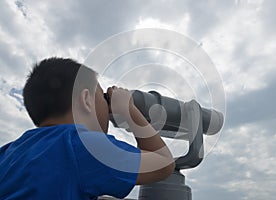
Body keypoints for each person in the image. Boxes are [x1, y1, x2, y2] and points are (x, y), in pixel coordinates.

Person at [0, 57, 175, 199]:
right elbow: (163, 163)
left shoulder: (8, 153)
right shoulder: (84, 146)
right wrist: (129, 111)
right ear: (86, 99)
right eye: (103, 98)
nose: (108, 108)